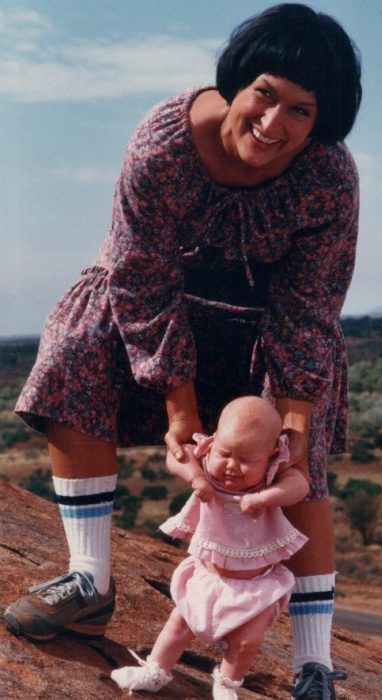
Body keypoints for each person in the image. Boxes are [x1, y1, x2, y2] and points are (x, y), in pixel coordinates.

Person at [6, 3, 361, 698]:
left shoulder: (328, 178)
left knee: (299, 438)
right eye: (265, 93)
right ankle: (89, 580)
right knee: (79, 334)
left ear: (321, 122)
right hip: (155, 317)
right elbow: (140, 280)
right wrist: (180, 412)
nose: (274, 122)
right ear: (237, 82)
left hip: (260, 329)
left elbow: (308, 311)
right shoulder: (164, 145)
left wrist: (288, 432)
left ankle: (314, 664)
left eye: (302, 110)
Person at [111, 395, 310, 698]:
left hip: (255, 588)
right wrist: (194, 478)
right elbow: (176, 456)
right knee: (178, 625)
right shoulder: (205, 463)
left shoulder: (272, 476)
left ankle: (227, 684)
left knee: (247, 641)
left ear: (271, 456)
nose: (232, 466)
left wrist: (265, 498)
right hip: (208, 578)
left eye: (247, 461)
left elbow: (300, 485)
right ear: (213, 442)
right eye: (226, 453)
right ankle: (156, 671)